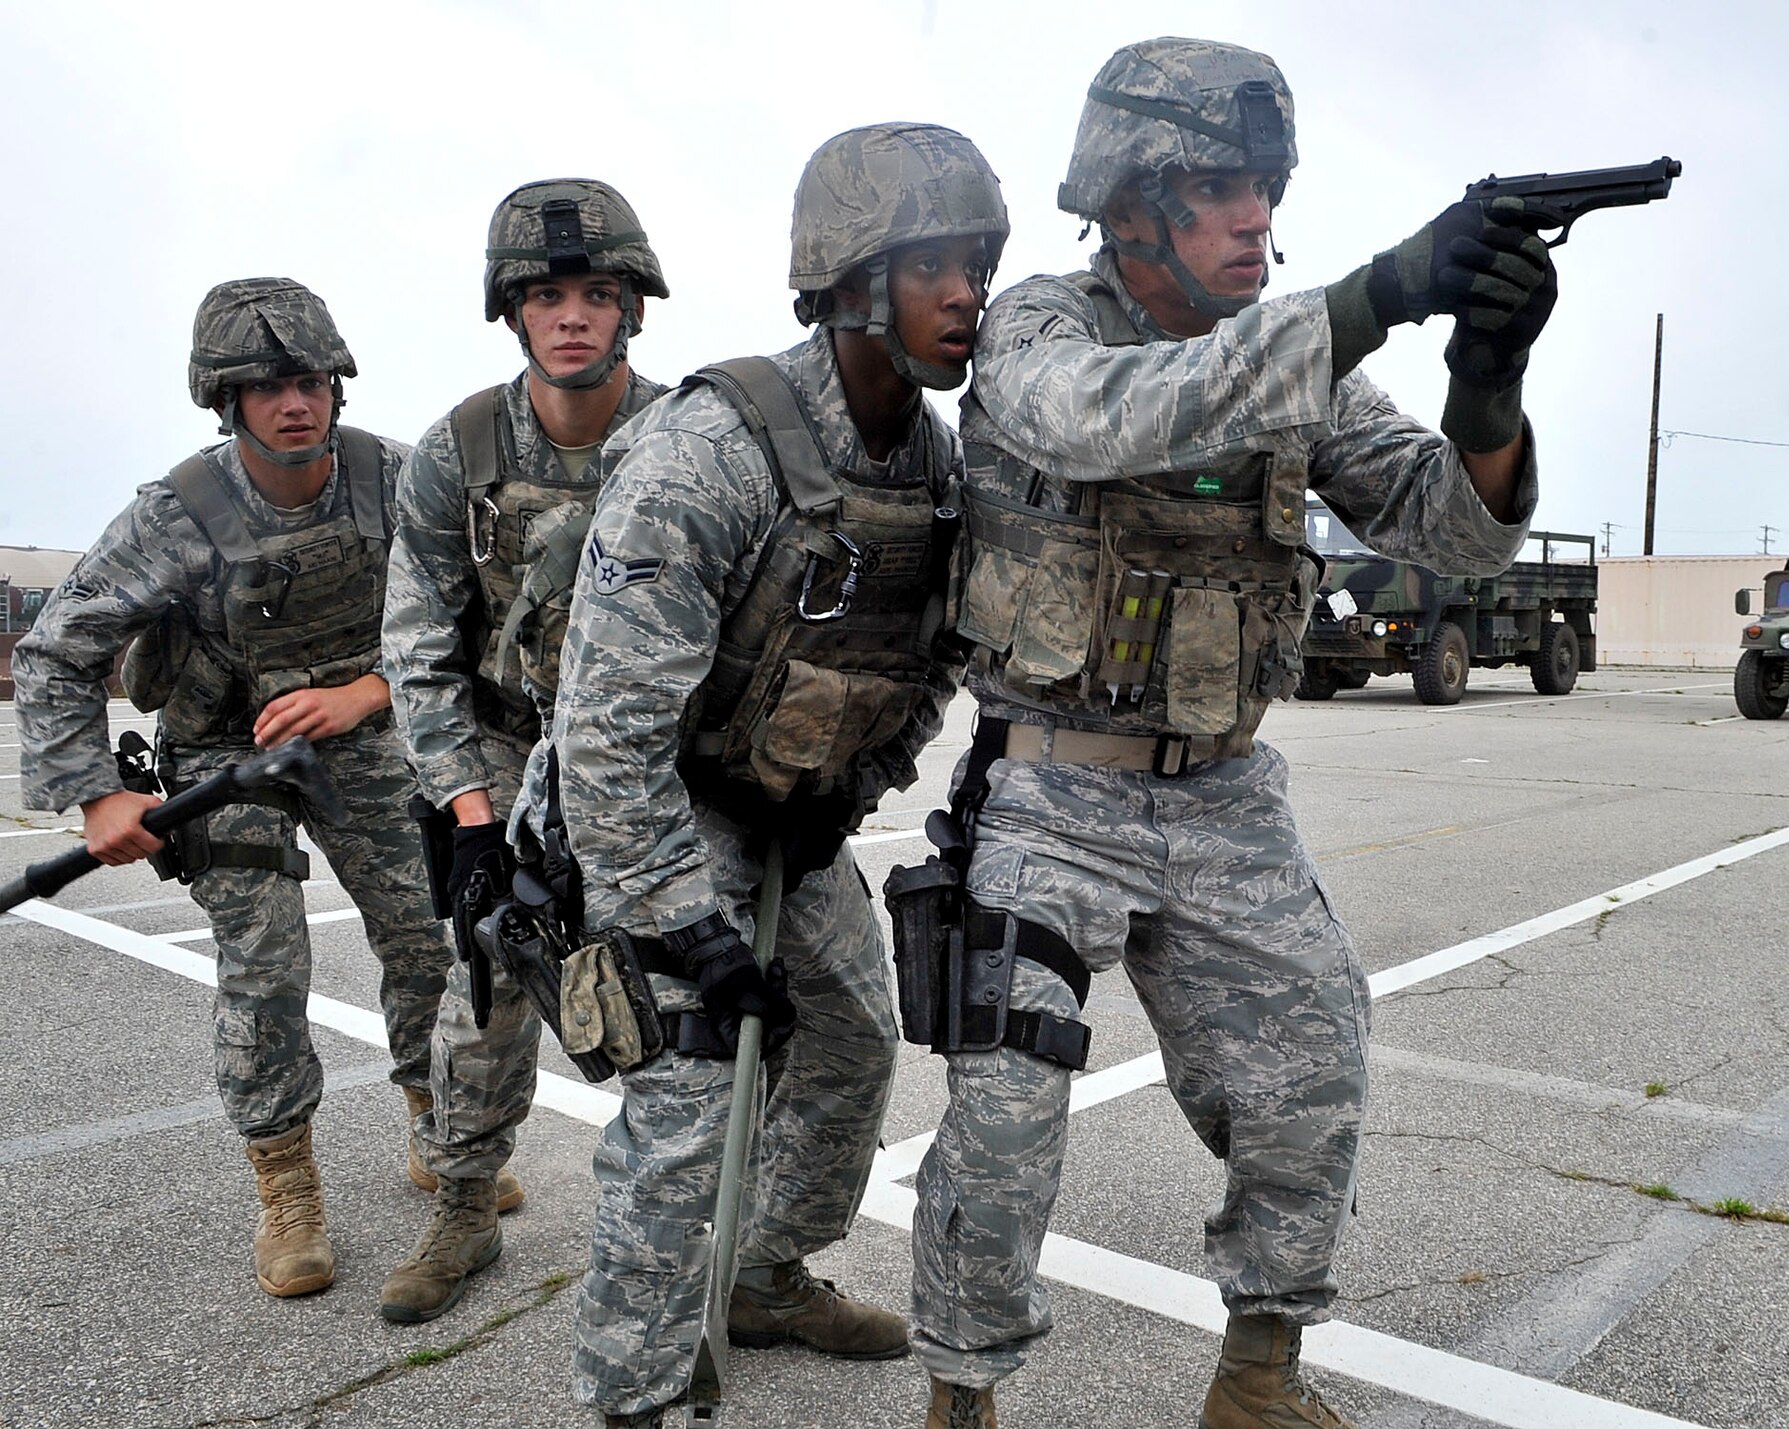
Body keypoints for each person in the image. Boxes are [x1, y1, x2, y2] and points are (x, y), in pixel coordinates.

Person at [905, 37, 1557, 1429]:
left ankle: (1258, 1377)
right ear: (1132, 204)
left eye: (1265, 183)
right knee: (1006, 1117)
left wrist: (1486, 382)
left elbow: (1454, 528)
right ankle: (962, 1398)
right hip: (1049, 791)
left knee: (1310, 1068)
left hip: (1222, 793)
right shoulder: (1043, 328)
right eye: (1216, 186)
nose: (1255, 214)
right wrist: (1374, 296)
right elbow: (1095, 422)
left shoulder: (1293, 355)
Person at [547, 122, 1007, 1426]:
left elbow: (924, 668)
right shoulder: (720, 442)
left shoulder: (936, 474)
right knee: (691, 1082)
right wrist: (678, 918)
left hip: (794, 815)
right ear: (853, 277)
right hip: (665, 805)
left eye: (980, 260)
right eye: (937, 264)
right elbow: (606, 719)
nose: (969, 290)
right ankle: (630, 1393)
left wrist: (845, 805)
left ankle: (763, 1273)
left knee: (856, 1031)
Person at [11, 278, 453, 1301]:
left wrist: (365, 693)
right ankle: (287, 1185)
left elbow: (465, 619)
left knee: (428, 929)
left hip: (360, 728)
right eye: (264, 387)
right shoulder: (176, 514)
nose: (292, 403)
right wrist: (96, 799)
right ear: (225, 400)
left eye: (306, 381)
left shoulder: (397, 478)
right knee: (264, 957)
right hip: (222, 752)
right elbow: (52, 652)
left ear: (334, 385)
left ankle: (438, 1121)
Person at [375, 177, 673, 1323]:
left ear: (631, 309)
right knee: (491, 979)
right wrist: (467, 817)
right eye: (547, 295)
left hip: (642, 749)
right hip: (502, 744)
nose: (573, 316)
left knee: (682, 985)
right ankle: (461, 1203)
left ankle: (706, 1235)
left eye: (597, 293)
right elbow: (416, 642)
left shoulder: (681, 433)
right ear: (512, 312)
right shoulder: (457, 448)